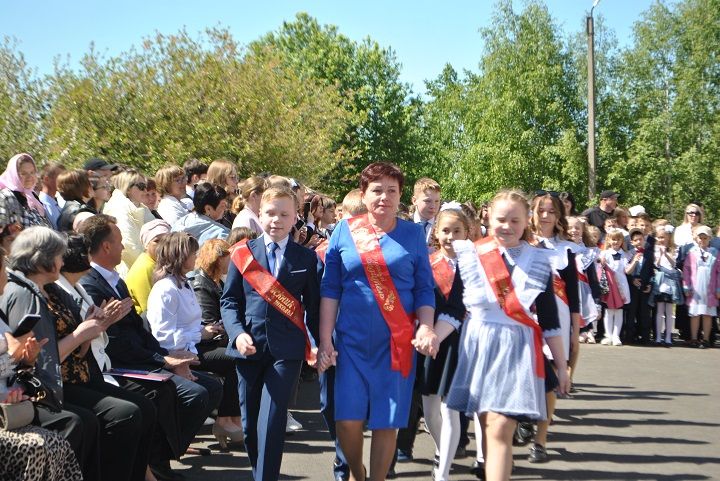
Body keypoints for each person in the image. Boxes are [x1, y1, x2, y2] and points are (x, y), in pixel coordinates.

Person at [3, 227, 155, 481]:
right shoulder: (23, 295)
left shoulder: (53, 290)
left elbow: (79, 345)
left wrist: (96, 326)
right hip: (49, 387)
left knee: (143, 407)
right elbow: (40, 362)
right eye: (59, 256)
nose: (63, 262)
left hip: (76, 375)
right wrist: (81, 333)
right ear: (44, 259)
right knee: (114, 416)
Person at [317, 162, 438, 481]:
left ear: (401, 196)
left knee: (387, 422)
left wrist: (425, 326)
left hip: (396, 344)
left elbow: (425, 287)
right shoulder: (345, 230)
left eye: (392, 190)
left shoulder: (413, 234)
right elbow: (330, 288)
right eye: (377, 190)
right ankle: (356, 470)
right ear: (363, 194)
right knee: (347, 420)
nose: (384, 197)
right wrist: (325, 338)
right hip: (351, 342)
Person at [78, 214, 223, 480]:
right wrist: (163, 360)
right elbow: (117, 342)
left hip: (143, 355)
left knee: (209, 388)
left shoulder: (114, 280)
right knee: (182, 393)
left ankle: (161, 456)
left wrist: (165, 357)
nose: (124, 247)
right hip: (120, 364)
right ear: (106, 247)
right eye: (119, 241)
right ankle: (157, 461)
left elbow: (137, 330)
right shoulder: (91, 285)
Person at [444, 190, 569, 481]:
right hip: (480, 346)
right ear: (488, 217)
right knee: (488, 427)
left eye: (515, 220)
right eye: (501, 219)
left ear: (527, 221)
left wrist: (562, 367)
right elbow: (453, 308)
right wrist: (432, 335)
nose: (507, 226)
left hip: (518, 350)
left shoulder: (538, 261)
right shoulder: (472, 254)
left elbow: (550, 321)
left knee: (500, 427)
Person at [222, 186, 323, 481]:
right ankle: (261, 474)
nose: (276, 220)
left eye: (284, 214)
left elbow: (313, 310)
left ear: (295, 219)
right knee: (251, 424)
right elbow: (229, 301)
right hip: (248, 346)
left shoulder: (306, 259)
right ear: (259, 214)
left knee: (273, 419)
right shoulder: (243, 254)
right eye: (269, 213)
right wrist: (237, 333)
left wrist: (318, 345)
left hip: (286, 352)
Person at [0, 248, 84, 481]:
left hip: (13, 401)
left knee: (66, 428)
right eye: (2, 270)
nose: (7, 277)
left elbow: (12, 370)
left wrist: (27, 358)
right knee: (51, 436)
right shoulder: (18, 295)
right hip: (4, 408)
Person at [528, 192, 579, 463]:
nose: (545, 216)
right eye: (541, 210)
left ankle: (540, 440)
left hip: (555, 320)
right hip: (524, 318)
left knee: (548, 382)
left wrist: (575, 333)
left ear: (559, 217)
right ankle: (524, 418)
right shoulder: (521, 242)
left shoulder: (566, 250)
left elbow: (573, 295)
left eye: (551, 212)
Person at [419, 208, 469, 481]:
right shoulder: (427, 262)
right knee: (429, 409)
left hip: (459, 341)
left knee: (451, 409)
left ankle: (443, 471)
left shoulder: (474, 263)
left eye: (457, 231)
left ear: (467, 232)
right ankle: (442, 448)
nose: (450, 237)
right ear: (436, 232)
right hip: (430, 341)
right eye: (445, 231)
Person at [102, 170, 154, 276]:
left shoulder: (141, 207)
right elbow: (129, 246)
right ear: (128, 188)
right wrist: (154, 267)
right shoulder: (118, 209)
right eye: (141, 186)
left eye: (146, 186)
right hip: (132, 272)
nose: (145, 190)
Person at [682, 225, 720, 349]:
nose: (702, 240)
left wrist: (718, 288)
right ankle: (694, 338)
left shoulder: (715, 253)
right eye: (700, 238)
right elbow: (687, 270)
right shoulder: (692, 253)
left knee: (708, 314)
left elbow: (719, 272)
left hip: (710, 289)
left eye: (705, 238)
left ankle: (706, 338)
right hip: (695, 288)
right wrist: (686, 286)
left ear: (709, 238)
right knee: (695, 314)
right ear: (696, 238)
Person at [125, 219, 172, 316]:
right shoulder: (143, 270)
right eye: (157, 241)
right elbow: (151, 310)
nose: (163, 245)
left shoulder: (164, 262)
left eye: (167, 240)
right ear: (146, 245)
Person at [0, 153, 51, 228]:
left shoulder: (33, 196)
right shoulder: (6, 197)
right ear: (14, 175)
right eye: (23, 173)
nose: (29, 177)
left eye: (32, 172)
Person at [651, 225, 683, 346]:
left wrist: (666, 253)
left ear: (669, 237)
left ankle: (668, 336)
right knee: (659, 311)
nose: (661, 239)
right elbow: (657, 265)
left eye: (663, 237)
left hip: (671, 282)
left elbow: (674, 264)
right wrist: (660, 255)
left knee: (669, 311)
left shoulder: (674, 249)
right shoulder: (655, 248)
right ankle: (658, 337)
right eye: (659, 237)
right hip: (660, 282)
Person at [599, 230, 631, 346]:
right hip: (609, 284)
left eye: (618, 239)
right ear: (608, 240)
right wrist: (601, 263)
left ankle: (616, 335)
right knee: (608, 311)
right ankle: (608, 335)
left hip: (621, 285)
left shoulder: (626, 255)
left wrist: (635, 262)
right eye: (613, 239)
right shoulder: (604, 253)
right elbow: (600, 268)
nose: (615, 242)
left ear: (622, 241)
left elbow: (627, 270)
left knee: (619, 311)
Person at [206, 159, 239, 228]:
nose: (236, 181)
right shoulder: (211, 205)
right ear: (220, 180)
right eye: (232, 177)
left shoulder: (235, 200)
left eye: (236, 177)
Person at [412, 177, 442, 245]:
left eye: (437, 201)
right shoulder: (405, 223)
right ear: (414, 201)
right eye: (427, 201)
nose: (433, 206)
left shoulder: (442, 227)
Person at [39, 162, 66, 229]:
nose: (64, 181)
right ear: (46, 179)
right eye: (60, 178)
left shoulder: (58, 202)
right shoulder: (40, 204)